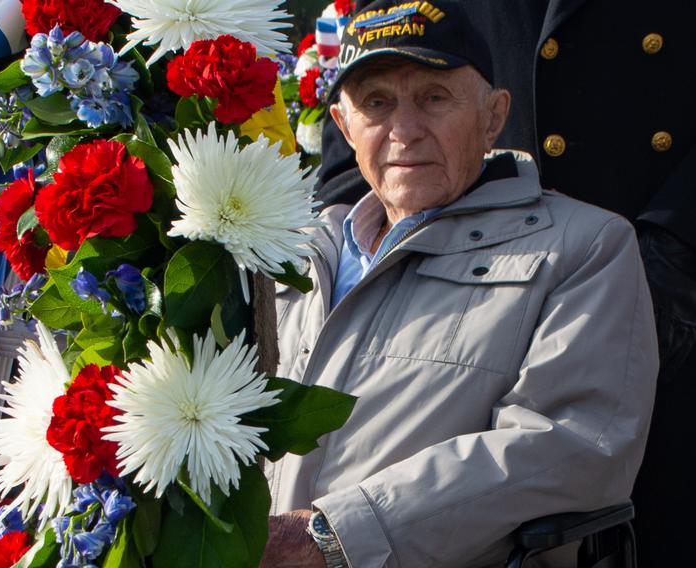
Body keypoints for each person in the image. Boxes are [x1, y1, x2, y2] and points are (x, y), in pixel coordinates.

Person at [260, 1, 659, 566]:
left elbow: (572, 449)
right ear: (345, 126)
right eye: (377, 103)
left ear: (493, 117)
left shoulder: (584, 246)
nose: (404, 131)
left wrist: (334, 538)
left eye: (434, 97)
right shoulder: (293, 251)